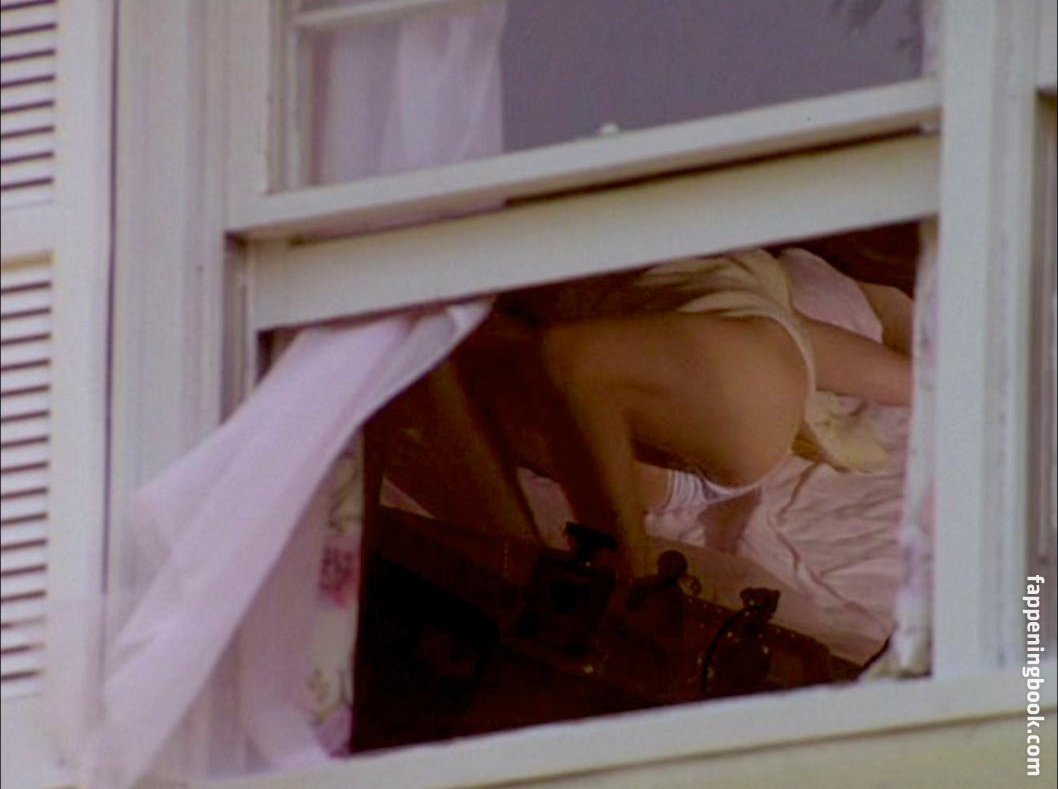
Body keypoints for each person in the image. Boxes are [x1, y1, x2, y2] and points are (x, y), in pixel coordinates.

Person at [386, 247, 913, 580]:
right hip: (684, 446)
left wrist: (623, 562)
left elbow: (566, 357)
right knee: (453, 350)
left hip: (729, 391)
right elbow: (810, 346)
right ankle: (532, 562)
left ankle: (609, 572)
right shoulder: (745, 298)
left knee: (533, 355)